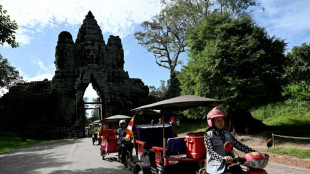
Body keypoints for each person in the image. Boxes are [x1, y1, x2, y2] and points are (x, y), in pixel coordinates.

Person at [204, 106, 256, 174]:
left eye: (222, 119)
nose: (221, 122)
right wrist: (222, 158)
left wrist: (254, 152)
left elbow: (239, 145)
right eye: (218, 120)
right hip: (216, 166)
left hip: (232, 164)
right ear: (212, 122)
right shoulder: (208, 135)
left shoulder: (227, 133)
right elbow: (210, 152)